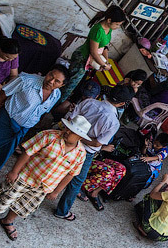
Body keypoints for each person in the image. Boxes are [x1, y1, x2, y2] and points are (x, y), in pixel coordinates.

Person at [0, 115, 91, 240]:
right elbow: (28, 152)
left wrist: (56, 191)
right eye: (67, 128)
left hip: (44, 186)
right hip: (26, 175)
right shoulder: (49, 136)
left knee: (24, 205)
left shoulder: (81, 154)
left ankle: (7, 220)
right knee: (3, 196)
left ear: (79, 137)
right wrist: (14, 171)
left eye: (71, 132)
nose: (67, 132)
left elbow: (71, 174)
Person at [54, 84, 134, 221]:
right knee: (76, 181)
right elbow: (98, 143)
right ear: (122, 104)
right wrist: (83, 138)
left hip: (67, 141)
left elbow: (70, 119)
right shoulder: (114, 122)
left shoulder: (89, 102)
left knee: (54, 165)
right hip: (86, 153)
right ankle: (62, 211)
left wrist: (75, 135)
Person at [58, 6, 126, 104]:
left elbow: (104, 47)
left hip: (90, 59)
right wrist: (103, 65)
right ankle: (55, 104)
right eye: (117, 24)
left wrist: (106, 61)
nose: (118, 27)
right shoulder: (98, 30)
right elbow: (94, 52)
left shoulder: (109, 29)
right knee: (69, 85)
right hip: (82, 58)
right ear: (109, 20)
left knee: (76, 84)